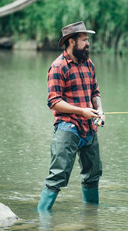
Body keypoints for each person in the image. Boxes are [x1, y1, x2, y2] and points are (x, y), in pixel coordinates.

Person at [37, 21, 105, 211]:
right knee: (57, 176)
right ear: (71, 42)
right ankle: (42, 218)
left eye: (87, 39)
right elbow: (54, 102)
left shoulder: (88, 64)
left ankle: (92, 217)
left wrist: (99, 110)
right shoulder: (58, 67)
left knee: (93, 175)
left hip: (90, 129)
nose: (88, 43)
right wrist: (82, 111)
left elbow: (95, 93)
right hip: (67, 128)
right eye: (84, 40)